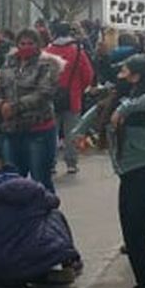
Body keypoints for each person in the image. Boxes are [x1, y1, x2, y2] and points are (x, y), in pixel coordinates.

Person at [78, 54, 145, 288]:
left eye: (124, 71)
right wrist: (80, 133)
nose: (119, 74)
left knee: (137, 240)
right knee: (132, 239)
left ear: (136, 76)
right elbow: (96, 112)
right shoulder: (120, 98)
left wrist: (124, 109)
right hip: (129, 177)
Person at [0, 28, 62, 192]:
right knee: (13, 181)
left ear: (38, 44)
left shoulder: (48, 64)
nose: (26, 46)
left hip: (39, 130)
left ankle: (46, 215)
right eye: (22, 43)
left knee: (41, 180)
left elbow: (44, 93)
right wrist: (0, 105)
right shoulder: (8, 63)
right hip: (11, 130)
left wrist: (14, 107)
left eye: (30, 43)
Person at [45, 22, 95, 177]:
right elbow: (88, 74)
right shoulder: (78, 52)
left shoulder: (47, 51)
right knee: (71, 132)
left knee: (50, 132)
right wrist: (79, 89)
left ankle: (50, 163)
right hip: (73, 98)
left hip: (51, 98)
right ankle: (71, 163)